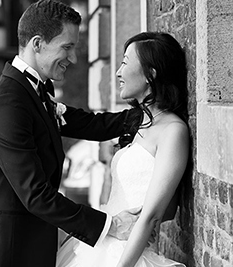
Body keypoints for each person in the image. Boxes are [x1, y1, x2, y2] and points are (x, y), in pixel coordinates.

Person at [0, 1, 143, 267]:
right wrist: (110, 225)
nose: (73, 58)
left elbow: (87, 123)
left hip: (34, 248)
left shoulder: (35, 90)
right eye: (67, 47)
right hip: (7, 254)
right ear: (37, 44)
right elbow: (36, 194)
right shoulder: (6, 105)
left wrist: (146, 115)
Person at [56, 32, 189, 267]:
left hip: (128, 256)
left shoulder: (173, 131)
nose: (118, 72)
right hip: (102, 245)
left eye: (125, 63)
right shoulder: (140, 123)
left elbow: (155, 215)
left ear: (151, 74)